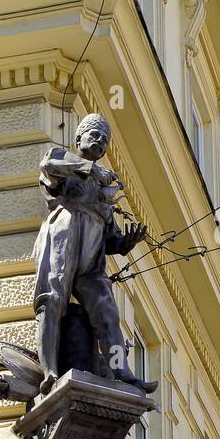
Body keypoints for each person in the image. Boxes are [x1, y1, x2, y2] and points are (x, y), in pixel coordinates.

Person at [33, 113, 156, 394]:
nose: (100, 141)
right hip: (64, 236)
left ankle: (122, 373)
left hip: (93, 256)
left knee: (107, 312)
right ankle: (50, 371)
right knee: (52, 301)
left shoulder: (104, 188)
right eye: (94, 135)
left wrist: (126, 243)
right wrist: (89, 168)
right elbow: (48, 166)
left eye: (105, 139)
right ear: (79, 138)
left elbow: (110, 237)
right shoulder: (62, 157)